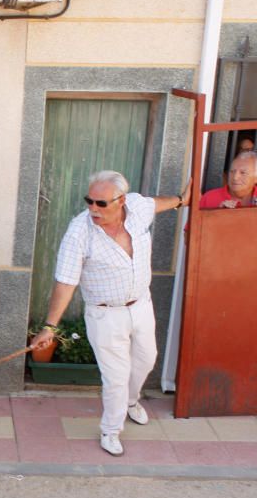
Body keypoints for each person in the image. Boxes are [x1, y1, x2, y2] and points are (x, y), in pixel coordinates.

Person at [30, 170, 190, 457]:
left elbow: (155, 203)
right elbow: (66, 281)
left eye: (101, 203)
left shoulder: (137, 208)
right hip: (105, 315)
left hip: (141, 304)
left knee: (146, 359)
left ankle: (130, 402)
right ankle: (111, 430)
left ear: (121, 201)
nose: (93, 208)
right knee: (116, 376)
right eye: (89, 201)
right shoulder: (79, 232)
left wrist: (180, 200)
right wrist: (50, 327)